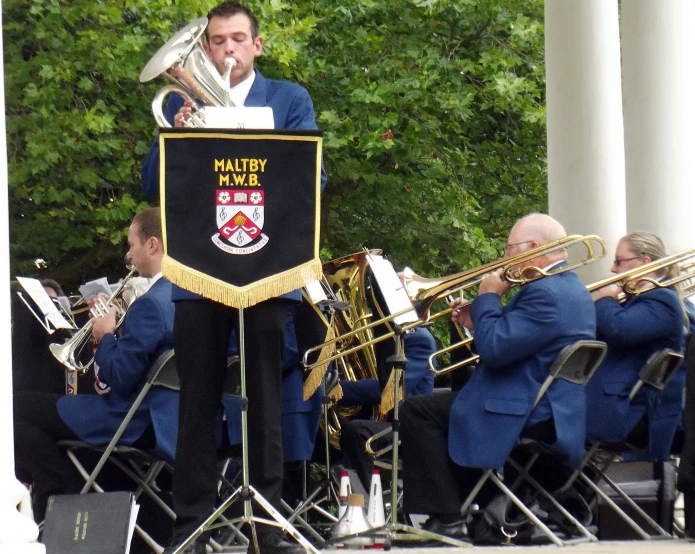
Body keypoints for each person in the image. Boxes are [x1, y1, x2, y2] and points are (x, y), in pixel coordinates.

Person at [140, 3, 324, 553]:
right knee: (196, 398)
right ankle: (189, 526)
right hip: (199, 271)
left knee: (267, 396)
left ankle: (269, 525)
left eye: (237, 39)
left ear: (257, 45)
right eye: (216, 41)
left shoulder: (289, 100)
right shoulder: (183, 105)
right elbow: (154, 186)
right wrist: (174, 135)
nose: (226, 51)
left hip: (269, 269)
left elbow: (312, 178)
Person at [398, 213, 597, 538]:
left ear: (532, 247)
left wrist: (488, 296)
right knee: (442, 406)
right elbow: (514, 340)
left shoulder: (544, 293)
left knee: (418, 411)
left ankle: (448, 517)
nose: (503, 258)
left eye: (508, 249)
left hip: (528, 410)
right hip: (548, 406)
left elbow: (493, 349)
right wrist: (478, 321)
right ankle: (474, 503)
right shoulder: (570, 288)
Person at [13, 207, 176, 522]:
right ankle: (57, 491)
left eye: (132, 245)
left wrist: (105, 335)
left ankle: (60, 496)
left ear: (152, 245)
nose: (128, 256)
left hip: (133, 421)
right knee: (24, 421)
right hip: (168, 419)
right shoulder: (185, 297)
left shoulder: (152, 305)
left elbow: (119, 378)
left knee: (13, 409)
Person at [586, 231, 686, 459]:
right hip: (609, 404)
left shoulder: (662, 300)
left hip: (624, 412)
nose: (613, 269)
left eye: (619, 261)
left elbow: (620, 331)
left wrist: (605, 299)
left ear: (645, 262)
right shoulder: (640, 298)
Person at [338, 325, 436, 492]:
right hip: (388, 425)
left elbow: (390, 389)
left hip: (409, 431)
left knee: (357, 432)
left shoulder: (420, 339)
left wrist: (338, 389)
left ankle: (367, 506)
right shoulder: (384, 335)